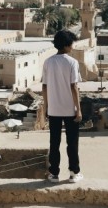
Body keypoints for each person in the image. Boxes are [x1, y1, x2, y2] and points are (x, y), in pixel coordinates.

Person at [42, 29, 83, 183]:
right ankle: (74, 172)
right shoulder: (72, 62)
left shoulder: (48, 62)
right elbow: (74, 87)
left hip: (54, 110)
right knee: (72, 143)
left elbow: (44, 87)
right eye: (71, 43)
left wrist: (46, 108)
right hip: (69, 110)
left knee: (54, 143)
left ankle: (53, 174)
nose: (72, 46)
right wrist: (78, 110)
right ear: (66, 45)